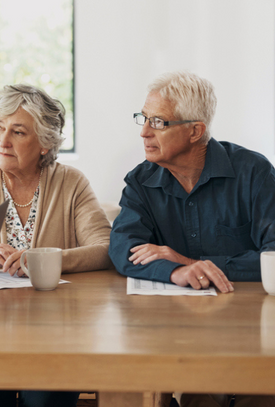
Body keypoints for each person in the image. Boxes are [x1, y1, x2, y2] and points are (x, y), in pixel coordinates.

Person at [0, 84, 112, 407]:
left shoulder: (71, 182)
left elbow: (105, 248)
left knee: (44, 399)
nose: (3, 141)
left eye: (18, 132)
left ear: (44, 144)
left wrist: (41, 259)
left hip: (56, 332)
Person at [109, 71, 275, 407]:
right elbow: (122, 247)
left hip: (255, 331)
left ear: (195, 131)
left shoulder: (254, 173)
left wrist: (193, 264)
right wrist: (174, 272)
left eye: (158, 122)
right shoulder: (141, 181)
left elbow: (274, 254)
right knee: (195, 397)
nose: (144, 131)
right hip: (181, 333)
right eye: (143, 118)